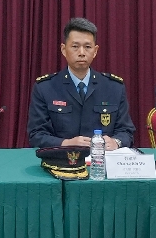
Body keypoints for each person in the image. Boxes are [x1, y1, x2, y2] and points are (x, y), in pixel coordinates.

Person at [27, 17, 136, 150]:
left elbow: (126, 131)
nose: (82, 53)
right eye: (75, 47)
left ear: (95, 51)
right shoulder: (45, 88)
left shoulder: (114, 87)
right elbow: (36, 134)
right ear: (63, 49)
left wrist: (116, 142)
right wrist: (66, 143)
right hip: (62, 159)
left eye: (87, 47)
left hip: (102, 159)